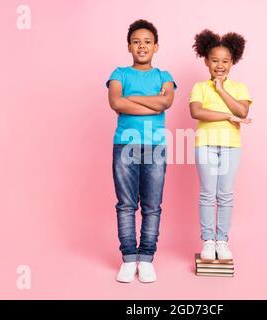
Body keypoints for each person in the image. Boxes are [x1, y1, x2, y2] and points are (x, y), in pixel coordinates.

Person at [106, 19, 177, 282]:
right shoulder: (119, 73)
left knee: (152, 205)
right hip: (125, 144)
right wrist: (152, 104)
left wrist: (130, 99)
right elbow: (115, 101)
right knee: (126, 204)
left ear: (156, 46)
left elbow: (166, 102)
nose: (142, 46)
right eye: (136, 41)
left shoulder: (164, 76)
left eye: (147, 41)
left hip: (155, 146)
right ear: (129, 46)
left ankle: (146, 258)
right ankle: (128, 258)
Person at [189, 29, 252, 260]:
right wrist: (226, 116)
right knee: (207, 194)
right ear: (206, 60)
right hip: (205, 144)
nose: (220, 65)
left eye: (225, 61)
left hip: (231, 146)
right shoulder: (199, 87)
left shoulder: (239, 88)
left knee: (225, 194)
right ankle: (208, 240)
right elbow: (197, 112)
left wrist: (221, 89)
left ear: (232, 61)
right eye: (215, 60)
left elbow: (242, 110)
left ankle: (222, 241)